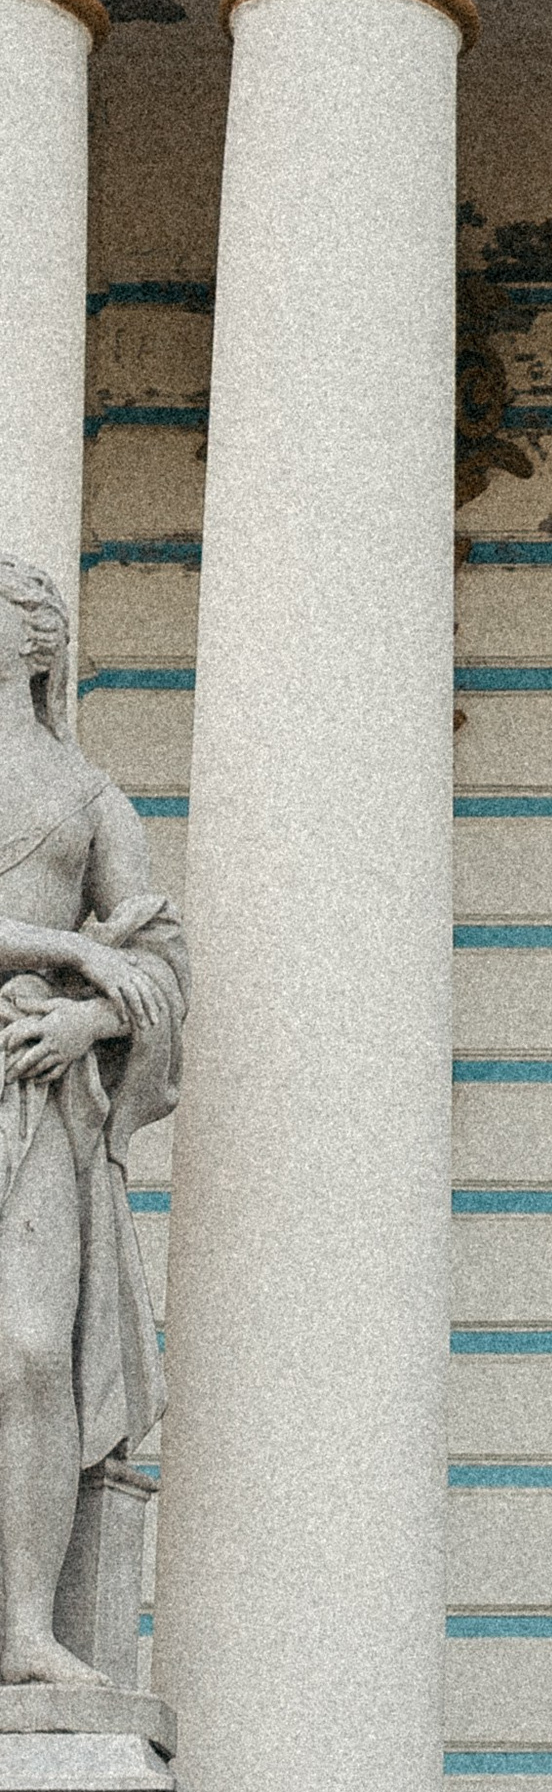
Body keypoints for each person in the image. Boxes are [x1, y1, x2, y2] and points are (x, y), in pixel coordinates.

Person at [0, 561, 186, 1683]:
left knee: (31, 1352)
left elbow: (159, 962)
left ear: (34, 645)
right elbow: (102, 946)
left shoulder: (90, 796)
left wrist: (88, 1022)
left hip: (34, 1092)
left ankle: (25, 1630)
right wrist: (69, 949)